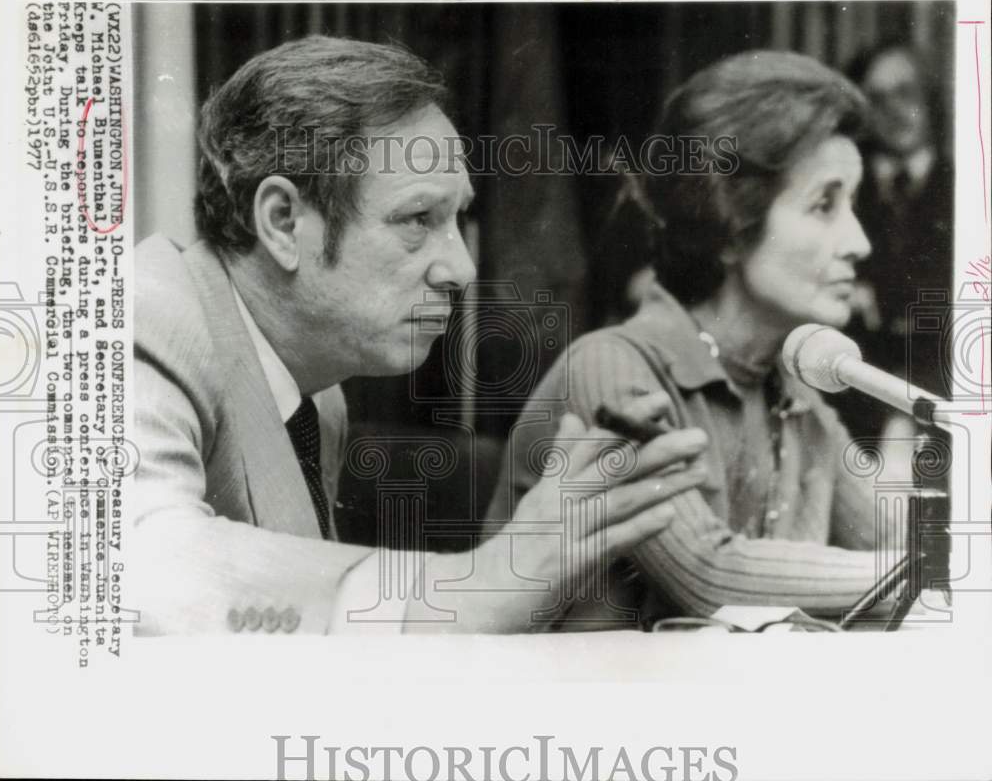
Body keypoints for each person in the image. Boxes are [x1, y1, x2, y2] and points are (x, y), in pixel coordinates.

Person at [133, 35, 710, 635]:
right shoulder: (138, 316)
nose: (460, 269)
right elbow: (137, 562)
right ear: (283, 221)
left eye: (457, 219)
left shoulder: (318, 394)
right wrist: (479, 586)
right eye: (417, 220)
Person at [488, 50, 903, 628]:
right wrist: (927, 573)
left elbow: (900, 536)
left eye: (853, 205)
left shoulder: (796, 398)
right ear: (729, 222)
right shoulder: (612, 367)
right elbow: (709, 575)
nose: (860, 242)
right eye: (824, 205)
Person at [838, 43, 954, 443]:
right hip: (856, 416)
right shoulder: (841, 190)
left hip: (945, 410)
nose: (893, 109)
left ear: (930, 97)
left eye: (906, 92)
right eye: (876, 98)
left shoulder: (968, 187)